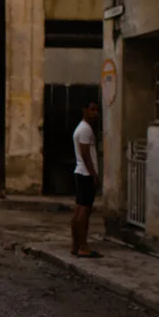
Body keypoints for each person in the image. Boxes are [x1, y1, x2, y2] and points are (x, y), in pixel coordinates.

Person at [71, 101, 101, 258]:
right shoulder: (85, 130)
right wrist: (94, 174)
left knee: (78, 210)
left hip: (81, 172)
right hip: (85, 173)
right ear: (84, 110)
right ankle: (83, 246)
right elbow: (85, 154)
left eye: (96, 110)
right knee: (84, 211)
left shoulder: (83, 128)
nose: (95, 113)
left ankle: (76, 245)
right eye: (92, 109)